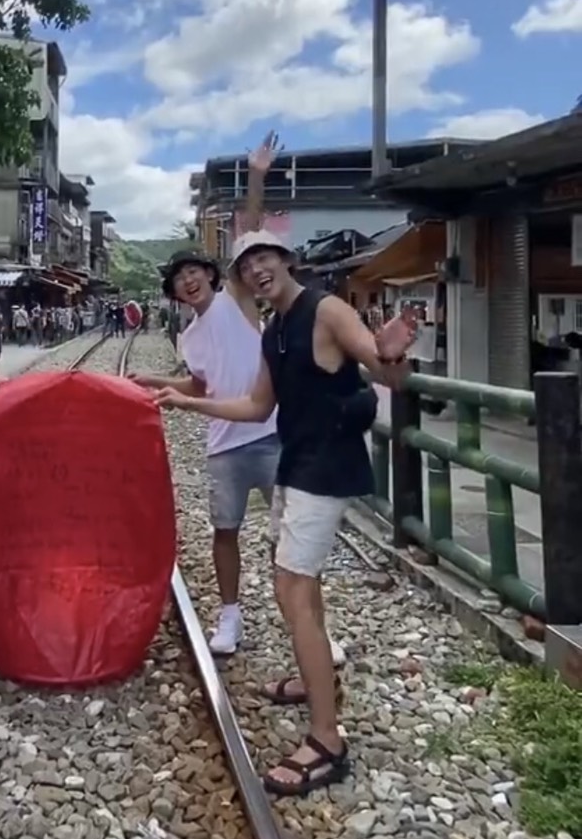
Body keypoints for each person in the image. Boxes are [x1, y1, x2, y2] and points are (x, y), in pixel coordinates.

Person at [157, 228, 415, 799]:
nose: (257, 271)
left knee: (292, 589)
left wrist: (393, 351)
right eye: (248, 265)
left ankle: (327, 741)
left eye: (265, 258)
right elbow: (256, 406)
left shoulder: (326, 309)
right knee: (298, 586)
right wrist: (186, 401)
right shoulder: (273, 329)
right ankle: (314, 677)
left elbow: (388, 373)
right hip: (296, 465)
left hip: (327, 469)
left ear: (287, 259)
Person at [132, 134, 285, 658]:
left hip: (272, 432)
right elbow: (202, 386)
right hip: (224, 441)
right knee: (226, 531)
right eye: (179, 279)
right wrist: (159, 384)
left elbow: (250, 230)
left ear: (212, 276)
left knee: (287, 535)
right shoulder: (188, 335)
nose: (188, 281)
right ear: (174, 294)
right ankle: (230, 615)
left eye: (194, 272)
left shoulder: (238, 298)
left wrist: (257, 174)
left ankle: (308, 623)